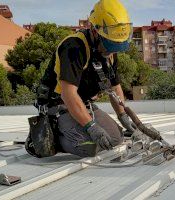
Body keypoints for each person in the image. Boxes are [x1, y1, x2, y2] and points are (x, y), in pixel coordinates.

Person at [34, 0, 136, 157]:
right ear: (95, 31)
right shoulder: (74, 47)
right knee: (88, 147)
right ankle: (53, 136)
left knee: (116, 138)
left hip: (83, 104)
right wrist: (91, 126)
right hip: (59, 105)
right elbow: (68, 94)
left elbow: (115, 87)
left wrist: (124, 118)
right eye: (109, 44)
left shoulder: (110, 53)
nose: (111, 50)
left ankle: (78, 127)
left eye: (116, 45)